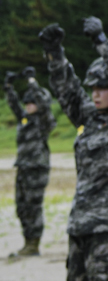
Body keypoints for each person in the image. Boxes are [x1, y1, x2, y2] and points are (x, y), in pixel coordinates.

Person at [39, 17, 108, 280]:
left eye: (103, 88)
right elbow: (67, 90)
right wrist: (55, 53)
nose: (96, 94)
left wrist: (103, 43)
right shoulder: (90, 117)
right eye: (93, 88)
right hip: (81, 226)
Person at [4, 66, 56, 258]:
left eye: (31, 103)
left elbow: (43, 103)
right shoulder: (24, 120)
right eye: (27, 102)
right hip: (23, 167)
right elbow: (14, 105)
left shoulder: (44, 121)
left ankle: (33, 244)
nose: (28, 105)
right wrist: (9, 86)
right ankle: (27, 242)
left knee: (33, 206)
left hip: (37, 169)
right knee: (21, 206)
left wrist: (32, 82)